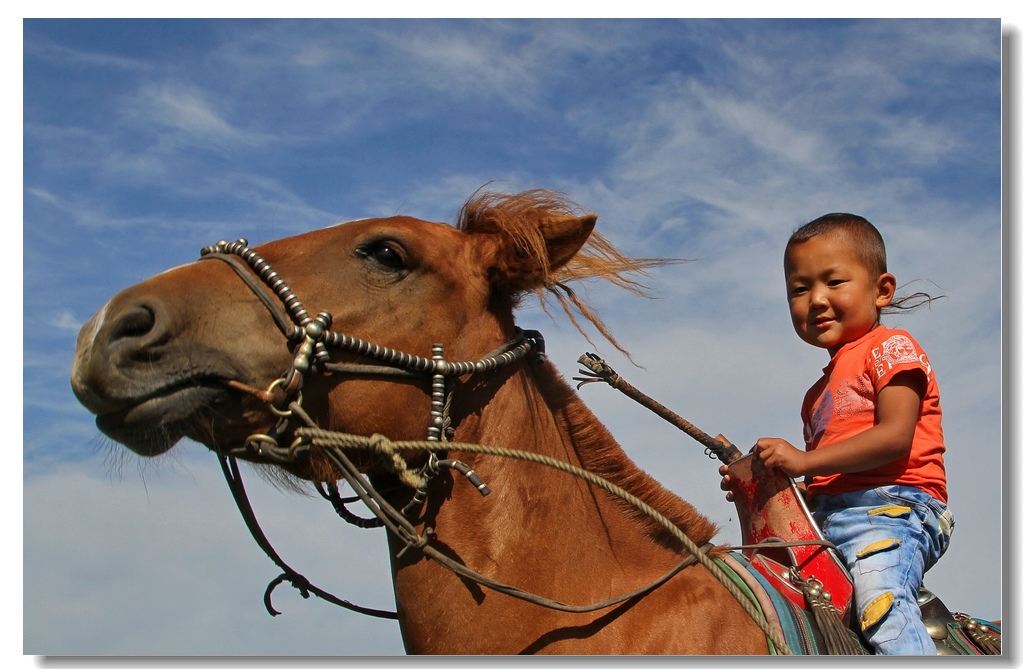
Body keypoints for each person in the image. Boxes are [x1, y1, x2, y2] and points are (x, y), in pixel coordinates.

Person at [720, 213, 954, 655]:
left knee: (879, 603)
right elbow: (832, 478)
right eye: (800, 288)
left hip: (897, 509)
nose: (816, 299)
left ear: (882, 289)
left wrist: (803, 461)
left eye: (834, 282)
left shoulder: (892, 348)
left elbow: (894, 438)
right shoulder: (815, 395)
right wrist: (774, 489)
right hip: (832, 520)